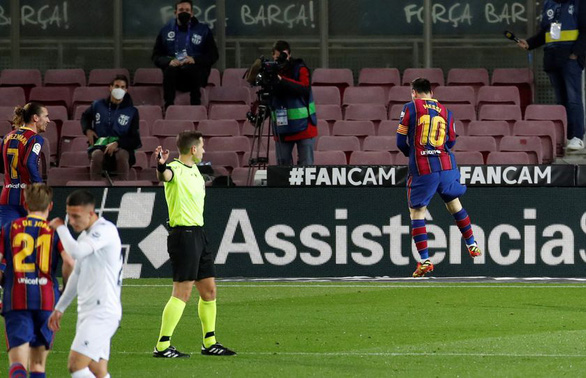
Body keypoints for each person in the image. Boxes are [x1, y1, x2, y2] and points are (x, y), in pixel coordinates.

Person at [153, 131, 235, 358]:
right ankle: (162, 345)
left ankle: (209, 342)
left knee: (209, 291)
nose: (204, 150)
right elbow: (165, 175)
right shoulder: (175, 169)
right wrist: (160, 166)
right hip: (183, 235)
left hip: (198, 233)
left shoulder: (197, 171)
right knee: (182, 292)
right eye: (202, 147)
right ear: (193, 149)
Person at [396, 78, 482, 278]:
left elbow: (400, 141)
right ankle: (472, 244)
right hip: (446, 165)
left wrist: (414, 155)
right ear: (432, 93)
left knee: (417, 212)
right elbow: (450, 142)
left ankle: (425, 260)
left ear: (413, 92)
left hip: (423, 167)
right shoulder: (447, 112)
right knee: (454, 205)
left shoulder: (410, 107)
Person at [1, 183, 74, 378]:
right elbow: (69, 262)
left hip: (16, 298)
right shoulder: (55, 231)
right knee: (38, 365)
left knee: (18, 363)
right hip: (46, 299)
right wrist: (64, 290)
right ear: (50, 206)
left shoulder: (9, 228)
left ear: (25, 204)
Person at [48, 190, 123, 378]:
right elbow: (76, 275)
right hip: (89, 310)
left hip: (102, 312)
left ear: (91, 213)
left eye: (76, 216)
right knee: (96, 370)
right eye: (68, 216)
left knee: (76, 365)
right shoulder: (85, 237)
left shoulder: (105, 230)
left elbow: (76, 253)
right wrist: (60, 307)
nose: (72, 221)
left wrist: (60, 227)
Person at [517, 0, 586, 151]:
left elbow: (584, 30)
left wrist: (575, 54)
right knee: (561, 100)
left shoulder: (579, 3)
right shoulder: (549, 4)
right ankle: (566, 136)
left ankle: (577, 136)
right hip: (552, 58)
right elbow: (546, 32)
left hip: (570, 58)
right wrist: (530, 43)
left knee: (573, 98)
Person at [152, 0, 219, 108]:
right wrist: (170, 61)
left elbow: (213, 55)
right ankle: (168, 107)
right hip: (174, 75)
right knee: (170, 70)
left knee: (192, 68)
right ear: (175, 13)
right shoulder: (165, 31)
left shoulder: (203, 30)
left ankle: (196, 106)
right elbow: (156, 56)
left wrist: (194, 60)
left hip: (196, 75)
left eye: (187, 10)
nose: (184, 12)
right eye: (181, 10)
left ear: (192, 13)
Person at [80, 74, 142, 181]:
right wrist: (88, 130)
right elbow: (85, 117)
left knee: (122, 156)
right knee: (96, 156)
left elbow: (135, 139)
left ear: (126, 90)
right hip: (99, 147)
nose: (119, 89)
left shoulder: (132, 112)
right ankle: (95, 189)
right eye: (117, 86)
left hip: (122, 148)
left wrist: (118, 143)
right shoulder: (98, 105)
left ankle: (123, 189)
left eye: (122, 87)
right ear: (110, 87)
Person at [270, 40, 318, 166]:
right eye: (277, 55)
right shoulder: (271, 73)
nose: (281, 58)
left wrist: (282, 80)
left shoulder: (300, 68)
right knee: (283, 169)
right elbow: (268, 97)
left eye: (283, 55)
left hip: (305, 126)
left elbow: (304, 89)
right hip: (282, 128)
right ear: (272, 56)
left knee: (306, 167)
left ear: (289, 55)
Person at [0, 102, 48, 226]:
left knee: (7, 237)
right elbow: (29, 163)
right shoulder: (35, 138)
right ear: (35, 118)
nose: (48, 120)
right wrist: (40, 186)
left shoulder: (7, 137)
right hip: (28, 199)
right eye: (46, 116)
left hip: (7, 197)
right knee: (31, 238)